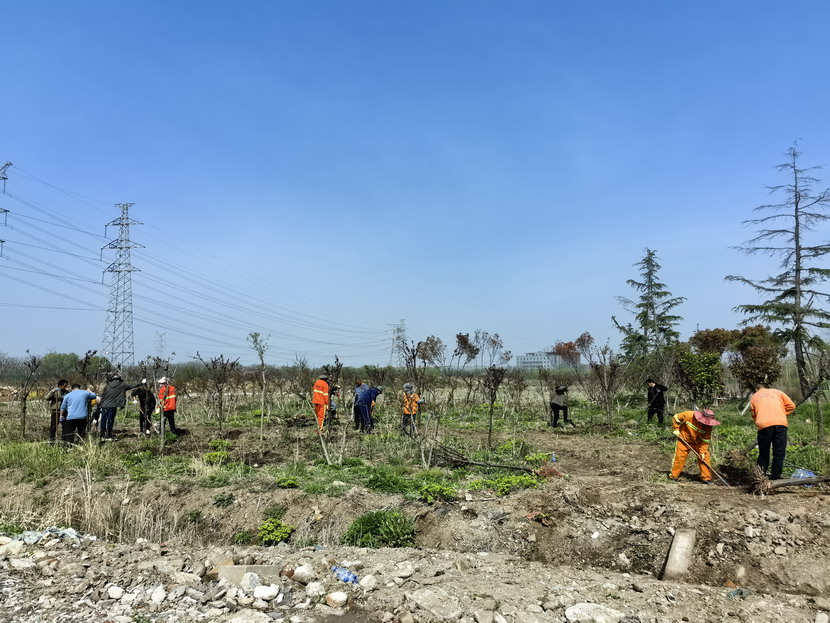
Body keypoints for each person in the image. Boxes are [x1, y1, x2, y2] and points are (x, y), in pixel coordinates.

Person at [750, 383, 796, 481]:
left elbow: (754, 414)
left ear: (756, 389)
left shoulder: (755, 396)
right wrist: (782, 413)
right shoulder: (777, 392)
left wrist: (758, 421)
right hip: (780, 424)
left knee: (764, 453)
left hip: (764, 426)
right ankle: (776, 477)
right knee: (779, 452)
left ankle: (760, 477)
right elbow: (791, 406)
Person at [669, 408, 720, 484]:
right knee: (679, 458)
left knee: (704, 457)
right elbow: (675, 418)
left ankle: (706, 478)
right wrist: (676, 429)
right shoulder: (689, 415)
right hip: (684, 440)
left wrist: (702, 452)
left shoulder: (708, 426)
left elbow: (705, 440)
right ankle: (673, 476)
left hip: (698, 443)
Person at [99, 374, 146, 441]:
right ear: (119, 380)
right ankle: (109, 436)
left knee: (103, 420)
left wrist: (100, 405)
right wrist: (141, 383)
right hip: (112, 406)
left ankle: (102, 436)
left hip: (104, 405)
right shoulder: (122, 386)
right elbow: (132, 385)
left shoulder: (107, 386)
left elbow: (103, 396)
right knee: (110, 420)